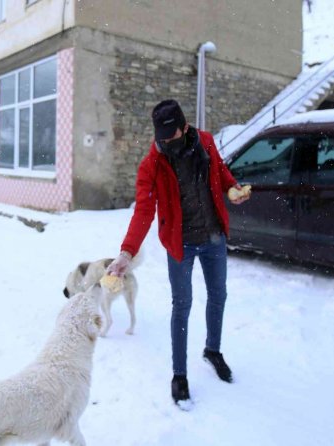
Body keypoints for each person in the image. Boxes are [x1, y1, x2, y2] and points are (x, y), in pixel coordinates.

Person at [106, 99, 250, 405]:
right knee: (182, 305)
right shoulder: (152, 165)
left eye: (171, 138)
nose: (165, 145)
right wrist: (126, 252)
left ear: (185, 129)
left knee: (218, 295)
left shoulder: (207, 142)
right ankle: (179, 374)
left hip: (213, 237)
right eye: (161, 139)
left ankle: (212, 351)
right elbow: (143, 211)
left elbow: (221, 172)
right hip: (180, 243)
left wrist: (232, 188)